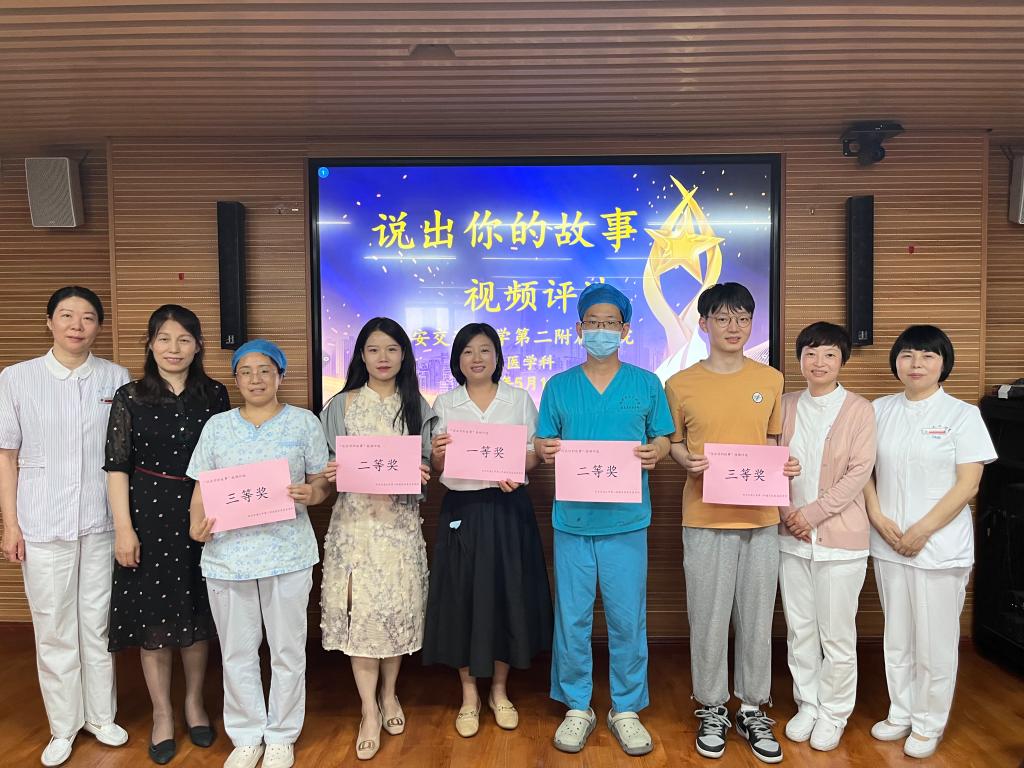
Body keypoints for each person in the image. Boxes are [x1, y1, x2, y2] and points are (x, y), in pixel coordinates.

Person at [534, 283, 674, 757]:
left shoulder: (646, 384)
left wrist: (658, 450)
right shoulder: (558, 386)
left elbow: (663, 438)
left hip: (626, 521)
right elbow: (542, 441)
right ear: (579, 329)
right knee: (572, 618)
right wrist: (544, 448)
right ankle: (578, 706)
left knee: (626, 618)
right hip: (573, 521)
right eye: (593, 323)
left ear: (625, 330)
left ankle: (626, 708)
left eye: (610, 323)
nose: (601, 330)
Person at [665, 282, 798, 764]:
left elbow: (772, 442)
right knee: (708, 617)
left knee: (757, 618)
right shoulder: (680, 384)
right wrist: (685, 460)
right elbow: (674, 443)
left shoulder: (771, 379)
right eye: (722, 318)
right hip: (704, 517)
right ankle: (712, 706)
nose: (734, 327)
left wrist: (784, 465)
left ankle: (754, 708)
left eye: (742, 317)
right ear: (704, 324)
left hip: (760, 518)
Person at [0, 286, 131, 768]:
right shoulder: (17, 378)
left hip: (100, 520)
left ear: (99, 326)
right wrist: (10, 525)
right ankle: (63, 725)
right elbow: (6, 456)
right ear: (49, 322)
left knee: (96, 624)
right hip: (41, 520)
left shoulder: (116, 378)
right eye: (67, 315)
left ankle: (100, 716)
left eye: (88, 317)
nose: (77, 325)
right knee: (54, 627)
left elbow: (123, 456)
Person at [187, 339, 331, 768]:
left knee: (288, 650)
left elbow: (321, 481)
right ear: (236, 379)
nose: (256, 379)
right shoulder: (218, 427)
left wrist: (314, 493)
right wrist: (195, 524)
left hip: (288, 553)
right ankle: (247, 735)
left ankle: (282, 735)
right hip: (227, 556)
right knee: (236, 652)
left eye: (265, 370)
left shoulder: (303, 422)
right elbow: (202, 487)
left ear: (280, 376)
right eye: (246, 371)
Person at [104, 305, 230, 764]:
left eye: (183, 339)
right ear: (150, 344)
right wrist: (124, 530)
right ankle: (162, 713)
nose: (173, 348)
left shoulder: (214, 394)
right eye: (163, 338)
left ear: (198, 346)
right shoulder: (130, 396)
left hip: (201, 512)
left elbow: (223, 458)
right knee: (154, 619)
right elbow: (117, 467)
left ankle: (194, 703)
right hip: (148, 516)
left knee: (195, 614)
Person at [865, 325, 996, 759]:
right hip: (888, 541)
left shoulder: (962, 415)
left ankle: (928, 722)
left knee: (935, 642)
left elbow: (968, 484)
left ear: (944, 364)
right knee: (897, 636)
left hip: (939, 547)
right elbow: (862, 470)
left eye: (927, 356)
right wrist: (877, 516)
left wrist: (923, 530)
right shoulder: (879, 410)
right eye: (907, 355)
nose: (916, 364)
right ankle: (901, 711)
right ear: (896, 362)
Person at [423, 323, 553, 738]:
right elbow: (437, 464)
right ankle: (469, 696)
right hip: (462, 509)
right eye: (467, 351)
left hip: (508, 507)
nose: (476, 358)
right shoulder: (446, 402)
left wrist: (518, 466)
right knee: (463, 597)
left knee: (505, 594)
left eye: (484, 350)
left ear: (498, 356)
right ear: (457, 360)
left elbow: (534, 455)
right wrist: (437, 455)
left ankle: (499, 691)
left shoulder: (519, 399)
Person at [318, 318, 435, 761]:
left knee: (394, 610)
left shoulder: (417, 405)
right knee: (361, 615)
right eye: (373, 349)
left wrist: (422, 471)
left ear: (404, 355)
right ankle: (368, 708)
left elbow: (428, 463)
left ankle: (389, 693)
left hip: (399, 527)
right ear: (361, 356)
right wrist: (330, 472)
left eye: (391, 349)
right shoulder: (341, 405)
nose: (382, 358)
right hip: (355, 528)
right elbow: (324, 464)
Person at [776, 322, 875, 752]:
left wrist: (811, 515)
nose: (819, 362)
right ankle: (808, 704)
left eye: (829, 354)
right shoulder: (784, 405)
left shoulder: (859, 410)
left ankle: (834, 712)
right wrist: (788, 514)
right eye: (811, 353)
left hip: (840, 542)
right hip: (790, 538)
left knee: (836, 634)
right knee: (800, 629)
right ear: (799, 359)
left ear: (842, 361)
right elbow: (768, 463)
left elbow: (858, 473)